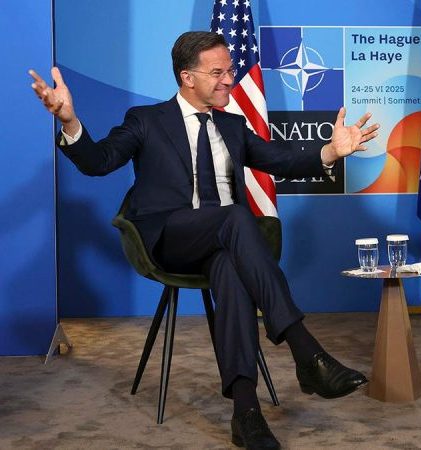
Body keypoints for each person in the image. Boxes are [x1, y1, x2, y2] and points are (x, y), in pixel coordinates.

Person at [30, 31, 379, 449]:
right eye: (218, 72)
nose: (229, 79)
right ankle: (306, 351)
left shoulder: (233, 125)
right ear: (187, 77)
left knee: (231, 270)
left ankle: (246, 415)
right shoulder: (146, 120)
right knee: (236, 216)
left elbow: (281, 160)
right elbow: (98, 161)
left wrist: (331, 152)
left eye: (230, 70)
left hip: (226, 243)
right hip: (171, 239)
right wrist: (69, 121)